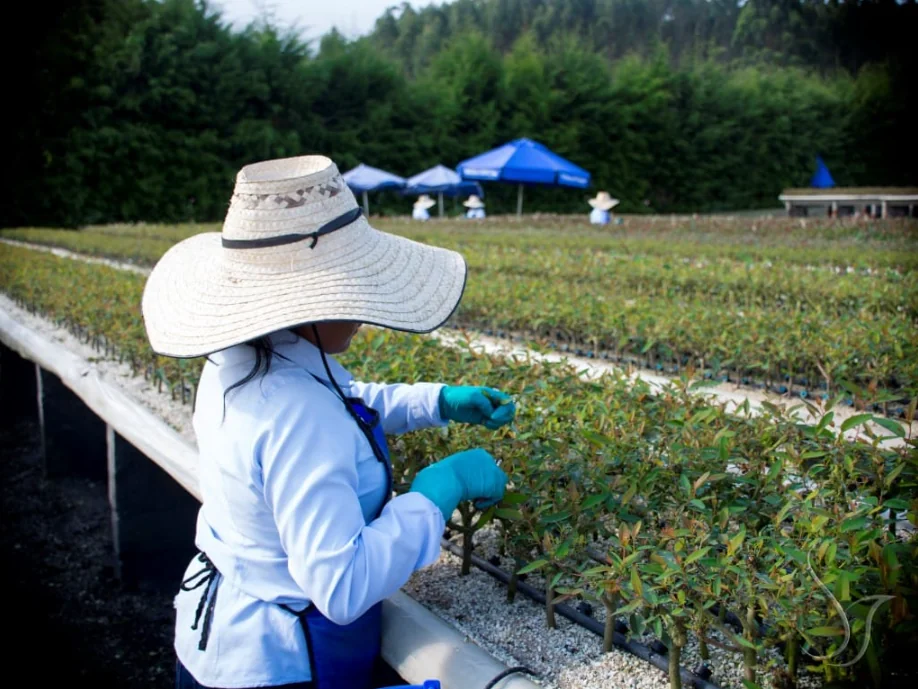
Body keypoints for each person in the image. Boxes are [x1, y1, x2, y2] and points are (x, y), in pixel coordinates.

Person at [140, 155, 514, 689]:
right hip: (276, 665)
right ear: (307, 304)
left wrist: (437, 401)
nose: (363, 309)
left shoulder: (242, 360)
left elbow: (342, 403)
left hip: (219, 635)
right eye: (351, 288)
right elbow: (343, 585)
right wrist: (436, 493)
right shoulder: (295, 413)